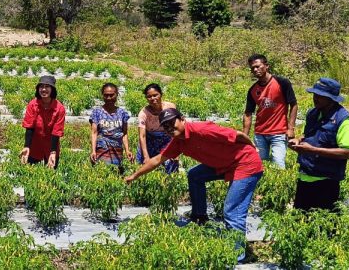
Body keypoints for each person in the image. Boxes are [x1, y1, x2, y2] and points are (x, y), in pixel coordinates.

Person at [124, 108, 263, 262]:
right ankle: (199, 217)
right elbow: (157, 160)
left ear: (182, 119)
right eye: (166, 126)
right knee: (195, 175)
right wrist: (134, 175)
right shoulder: (179, 142)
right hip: (224, 164)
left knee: (232, 212)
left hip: (245, 163)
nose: (170, 128)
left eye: (172, 123)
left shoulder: (201, 129)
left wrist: (253, 148)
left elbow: (238, 135)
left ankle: (236, 257)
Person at [289, 78, 349, 212]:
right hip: (305, 177)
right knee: (299, 223)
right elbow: (307, 135)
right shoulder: (313, 113)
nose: (315, 98)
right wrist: (298, 140)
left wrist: (313, 150)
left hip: (326, 182)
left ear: (331, 98)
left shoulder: (344, 120)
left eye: (320, 96)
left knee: (321, 226)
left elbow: (347, 152)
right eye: (315, 94)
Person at [243, 54, 298, 168]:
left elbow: (293, 105)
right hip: (260, 134)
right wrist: (245, 136)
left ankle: (281, 186)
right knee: (259, 166)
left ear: (266, 66)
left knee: (278, 165)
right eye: (252, 68)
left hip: (279, 133)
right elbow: (248, 113)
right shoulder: (252, 90)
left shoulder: (282, 83)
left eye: (258, 66)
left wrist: (290, 128)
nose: (255, 69)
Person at [20, 75, 66, 169]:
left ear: (52, 89)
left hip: (51, 146)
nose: (44, 89)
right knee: (30, 174)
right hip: (34, 146)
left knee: (50, 175)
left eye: (47, 86)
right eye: (41, 87)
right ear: (38, 89)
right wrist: (26, 147)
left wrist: (53, 152)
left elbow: (56, 131)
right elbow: (30, 126)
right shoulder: (33, 104)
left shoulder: (59, 108)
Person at [136, 83, 178, 174]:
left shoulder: (170, 107)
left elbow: (177, 128)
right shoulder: (143, 114)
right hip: (150, 143)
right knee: (146, 170)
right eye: (149, 96)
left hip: (167, 142)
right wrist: (146, 156)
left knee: (170, 169)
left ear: (161, 94)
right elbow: (142, 136)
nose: (153, 99)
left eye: (155, 95)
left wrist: (176, 150)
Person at [89, 83, 132, 174]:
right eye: (106, 95)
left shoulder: (122, 113)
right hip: (101, 150)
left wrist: (127, 150)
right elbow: (94, 133)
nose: (109, 98)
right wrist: (93, 151)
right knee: (101, 174)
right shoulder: (97, 112)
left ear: (117, 95)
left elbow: (124, 134)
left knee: (116, 175)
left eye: (112, 95)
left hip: (117, 151)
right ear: (102, 95)